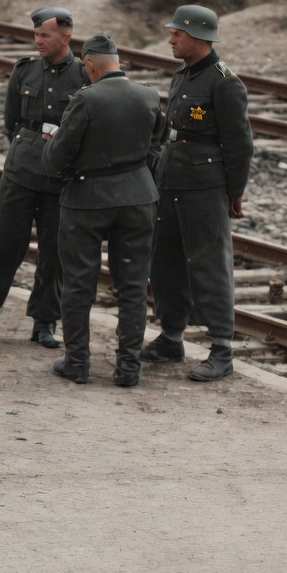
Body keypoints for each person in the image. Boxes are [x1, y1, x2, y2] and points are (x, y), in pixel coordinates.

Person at [0, 6, 86, 348]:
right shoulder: (25, 70)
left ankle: (44, 324)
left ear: (65, 37)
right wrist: (26, 150)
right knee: (0, 246)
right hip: (21, 172)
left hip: (60, 177)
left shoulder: (83, 75)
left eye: (45, 35)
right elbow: (13, 121)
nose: (37, 41)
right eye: (35, 35)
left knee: (55, 253)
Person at [42, 33, 165, 386]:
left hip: (87, 201)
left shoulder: (86, 99)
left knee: (79, 283)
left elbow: (58, 158)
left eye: (85, 67)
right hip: (139, 199)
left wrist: (51, 148)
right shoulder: (147, 95)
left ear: (91, 65)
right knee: (132, 286)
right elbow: (156, 143)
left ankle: (77, 363)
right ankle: (129, 368)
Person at [144, 5, 254, 381]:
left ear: (198, 36)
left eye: (177, 33)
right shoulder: (182, 74)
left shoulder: (225, 82)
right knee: (166, 262)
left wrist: (234, 191)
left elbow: (239, 144)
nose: (171, 39)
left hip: (206, 188)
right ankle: (171, 336)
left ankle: (221, 348)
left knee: (209, 267)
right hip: (170, 182)